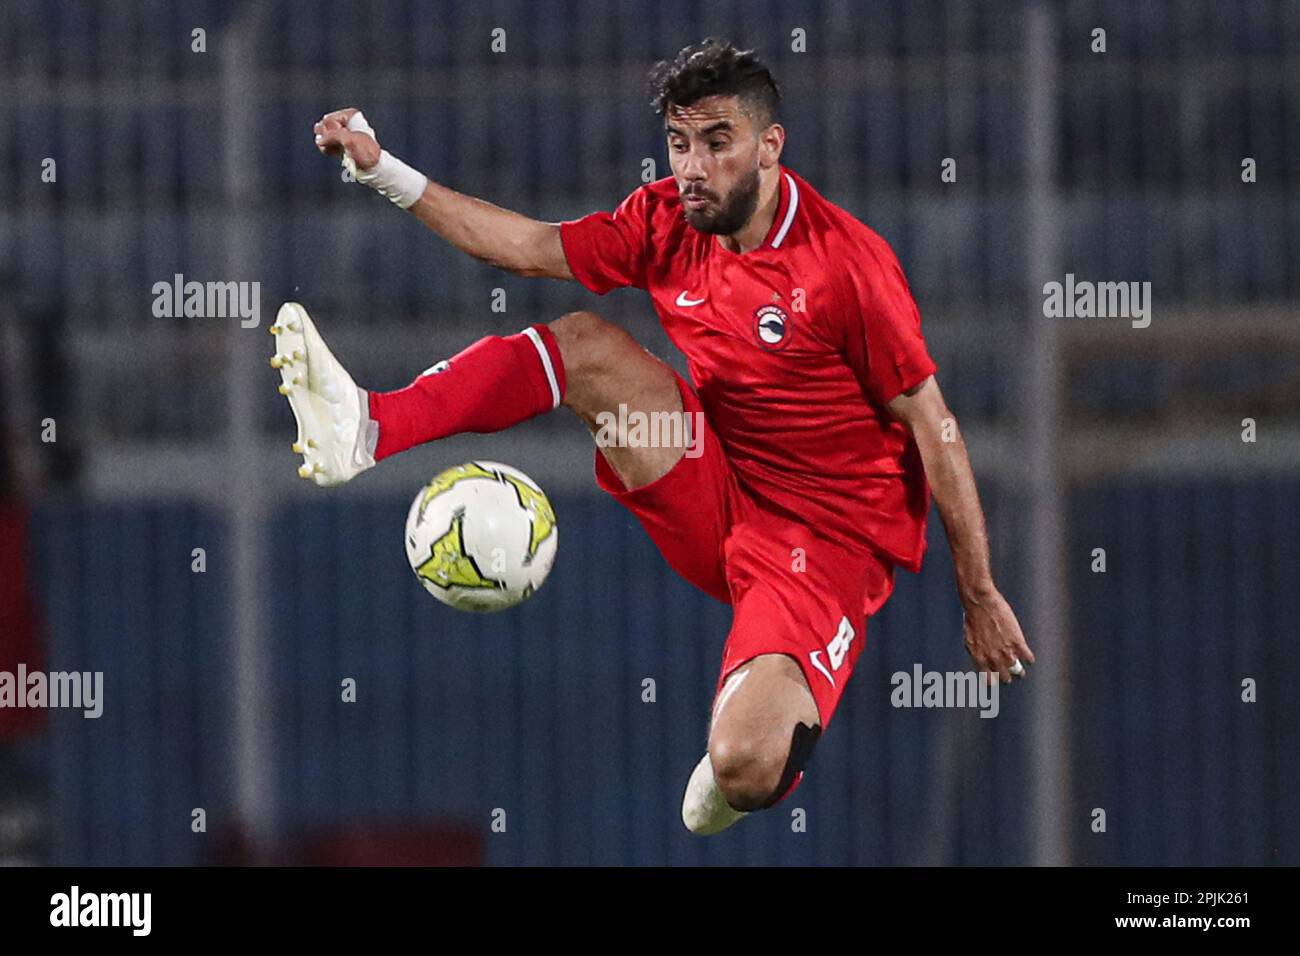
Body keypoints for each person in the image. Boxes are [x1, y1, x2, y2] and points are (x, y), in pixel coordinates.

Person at [277, 38, 1034, 835]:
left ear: (769, 146)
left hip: (825, 544)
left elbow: (934, 425)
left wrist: (977, 589)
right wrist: (380, 168)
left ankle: (736, 771)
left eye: (717, 142)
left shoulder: (845, 268)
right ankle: (369, 427)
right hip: (714, 479)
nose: (693, 166)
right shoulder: (667, 221)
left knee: (746, 765)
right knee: (586, 346)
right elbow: (528, 247)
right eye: (679, 144)